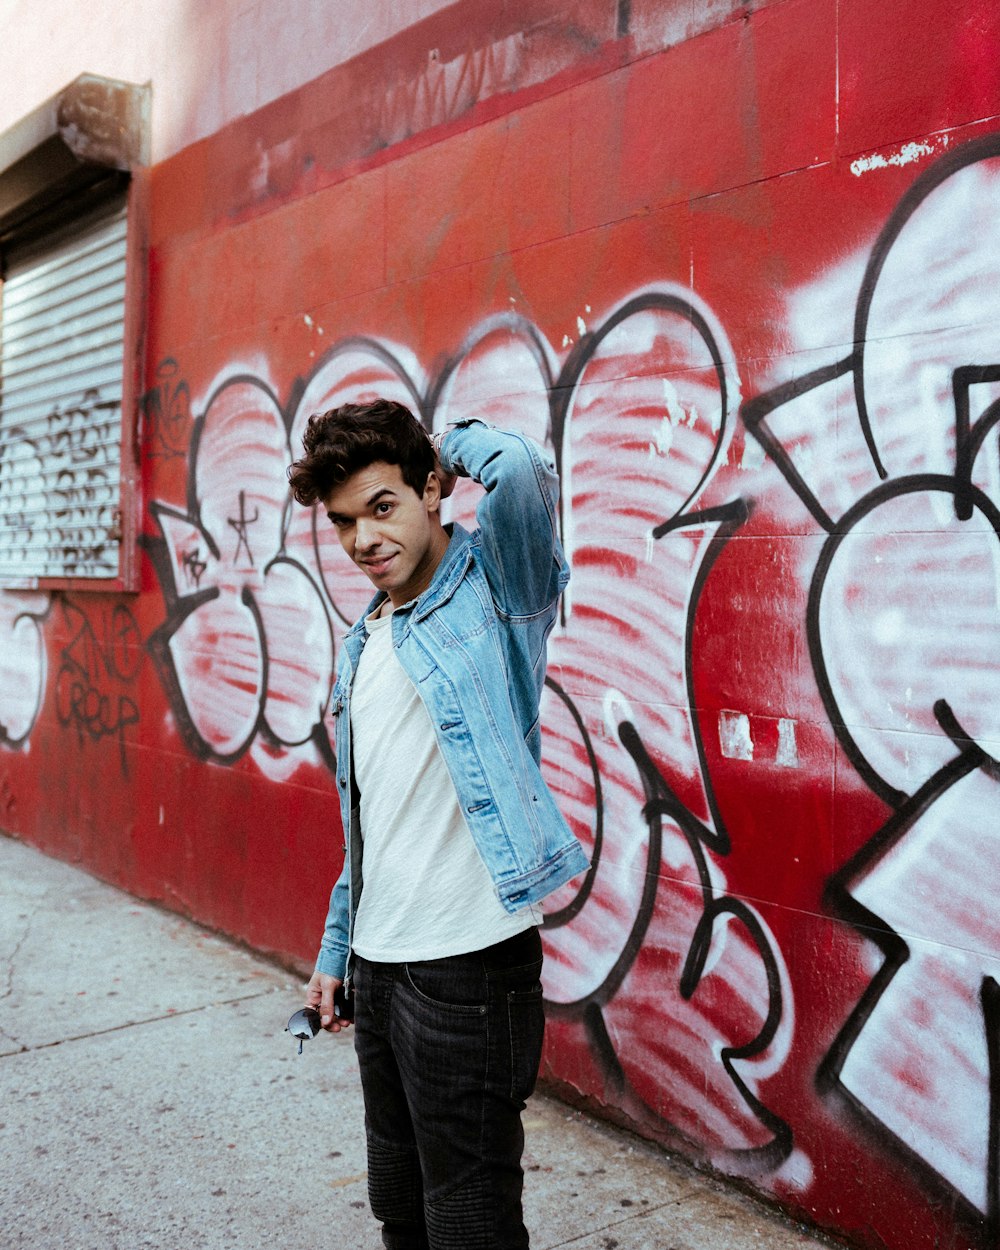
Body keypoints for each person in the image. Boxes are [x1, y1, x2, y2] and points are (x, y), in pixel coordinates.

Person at [286, 398, 589, 1249]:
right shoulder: (365, 640)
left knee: (469, 1218)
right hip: (379, 971)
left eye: (382, 508)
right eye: (344, 522)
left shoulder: (500, 589)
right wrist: (335, 953)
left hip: (469, 968)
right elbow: (372, 822)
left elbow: (524, 472)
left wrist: (441, 445)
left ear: (431, 491)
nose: (363, 540)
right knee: (400, 1206)